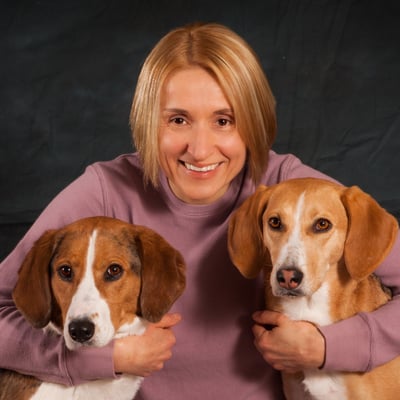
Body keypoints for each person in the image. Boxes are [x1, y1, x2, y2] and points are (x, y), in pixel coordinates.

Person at [0, 22, 399, 399]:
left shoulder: (289, 191)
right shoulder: (105, 191)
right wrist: (107, 360)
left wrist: (328, 347)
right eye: (178, 120)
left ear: (253, 123)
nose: (201, 149)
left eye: (224, 121)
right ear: (148, 123)